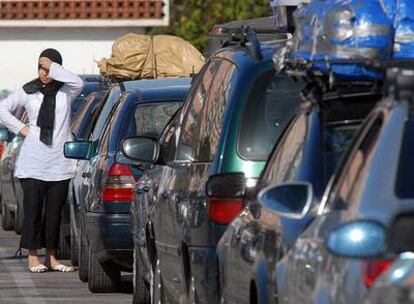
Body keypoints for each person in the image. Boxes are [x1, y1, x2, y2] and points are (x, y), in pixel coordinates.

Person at [0, 48, 84, 273]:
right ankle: (33, 257)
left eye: (48, 68)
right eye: (40, 67)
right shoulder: (28, 91)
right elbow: (2, 109)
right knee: (34, 211)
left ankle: (53, 258)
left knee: (54, 213)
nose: (44, 72)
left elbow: (79, 82)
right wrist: (21, 128)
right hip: (33, 162)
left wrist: (53, 67)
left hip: (59, 163)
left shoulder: (67, 91)